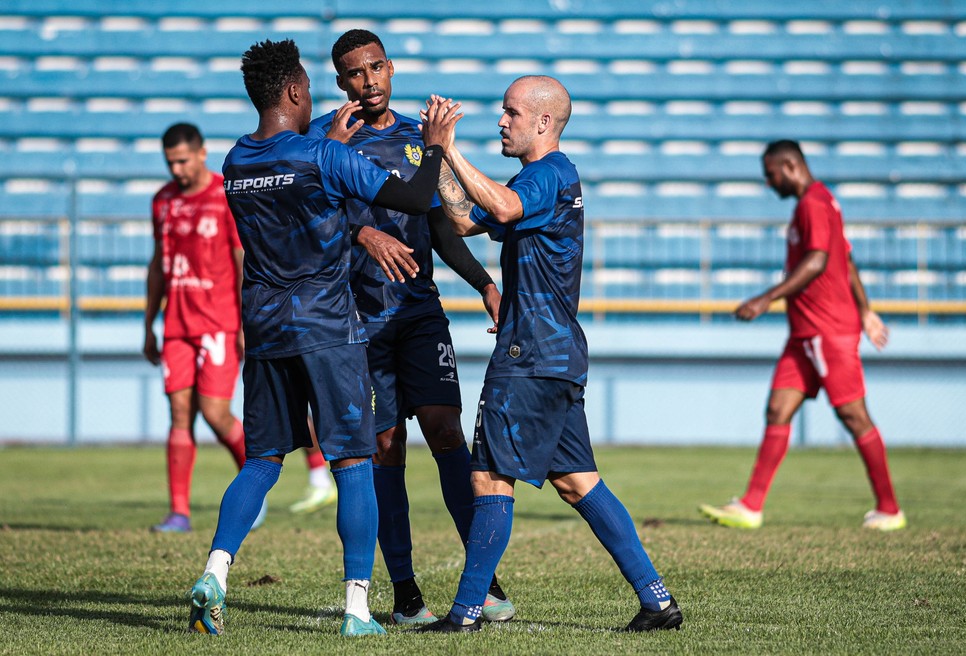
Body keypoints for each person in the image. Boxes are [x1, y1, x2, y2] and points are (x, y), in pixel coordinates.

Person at [185, 38, 455, 637]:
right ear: (294, 91)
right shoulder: (324, 156)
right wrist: (434, 146)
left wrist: (324, 148)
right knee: (354, 462)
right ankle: (357, 610)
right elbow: (415, 197)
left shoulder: (235, 161)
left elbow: (294, 200)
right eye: (308, 88)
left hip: (264, 328)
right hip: (329, 327)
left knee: (261, 461)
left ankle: (215, 571)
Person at [415, 76, 683, 633]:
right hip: (554, 354)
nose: (501, 121)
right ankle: (657, 601)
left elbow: (503, 206)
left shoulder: (548, 174)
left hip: (529, 355)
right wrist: (434, 158)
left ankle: (465, 613)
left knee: (489, 478)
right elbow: (465, 218)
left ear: (543, 122)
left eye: (511, 112)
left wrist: (449, 149)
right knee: (578, 480)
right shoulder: (540, 179)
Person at [306, 28, 513, 626]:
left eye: (375, 68)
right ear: (340, 81)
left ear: (390, 68)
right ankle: (405, 592)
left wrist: (485, 283)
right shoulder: (323, 138)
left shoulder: (420, 139)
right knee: (385, 446)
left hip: (419, 312)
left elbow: (443, 225)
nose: (367, 81)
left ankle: (483, 581)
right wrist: (360, 233)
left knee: (446, 431)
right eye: (354, 73)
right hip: (356, 319)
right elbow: (302, 216)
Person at [698, 139, 906, 532]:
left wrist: (766, 298)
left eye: (771, 174)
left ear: (790, 166)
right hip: (805, 334)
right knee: (778, 409)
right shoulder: (815, 203)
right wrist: (866, 310)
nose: (768, 182)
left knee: (853, 415)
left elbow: (819, 260)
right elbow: (846, 259)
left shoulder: (814, 203)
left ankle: (890, 509)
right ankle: (751, 506)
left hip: (827, 330)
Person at [144, 122, 266, 534]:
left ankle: (253, 488)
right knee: (179, 413)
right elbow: (158, 264)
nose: (176, 169)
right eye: (170, 163)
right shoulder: (163, 201)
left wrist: (246, 321)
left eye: (182, 160)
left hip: (219, 322)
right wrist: (148, 323)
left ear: (201, 153)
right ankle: (178, 512)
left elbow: (240, 259)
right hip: (176, 324)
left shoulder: (222, 194)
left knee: (215, 413)